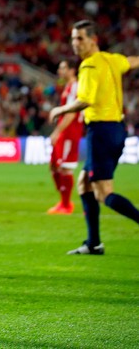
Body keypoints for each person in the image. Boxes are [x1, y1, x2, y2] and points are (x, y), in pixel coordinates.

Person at [49, 20, 139, 255]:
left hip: (101, 130)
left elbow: (85, 100)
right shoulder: (112, 59)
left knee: (104, 192)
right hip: (116, 130)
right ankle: (94, 243)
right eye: (72, 38)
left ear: (93, 39)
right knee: (84, 184)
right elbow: (131, 61)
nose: (75, 43)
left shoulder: (88, 67)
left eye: (80, 38)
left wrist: (60, 110)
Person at [47, 59, 84, 215]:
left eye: (63, 68)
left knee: (65, 168)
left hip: (70, 132)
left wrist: (57, 132)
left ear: (72, 70)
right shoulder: (68, 87)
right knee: (54, 166)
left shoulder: (75, 86)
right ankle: (63, 201)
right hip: (64, 131)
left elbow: (71, 114)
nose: (59, 71)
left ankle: (66, 205)